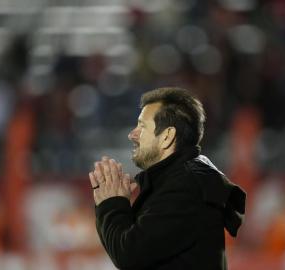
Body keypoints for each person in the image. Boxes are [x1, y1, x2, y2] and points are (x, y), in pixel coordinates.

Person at [89, 87, 246, 270]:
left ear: (167, 137)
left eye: (142, 126)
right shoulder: (179, 179)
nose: (132, 134)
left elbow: (129, 255)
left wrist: (111, 204)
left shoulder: (186, 186)